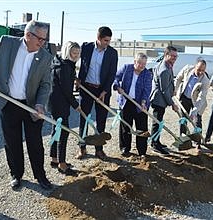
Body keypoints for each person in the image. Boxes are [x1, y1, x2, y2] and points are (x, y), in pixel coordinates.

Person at [0, 20, 53, 190]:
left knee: (35, 142)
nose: (42, 43)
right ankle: (16, 175)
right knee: (12, 141)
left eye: (44, 40)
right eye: (40, 39)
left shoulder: (45, 57)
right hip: (8, 101)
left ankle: (40, 175)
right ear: (28, 35)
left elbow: (45, 84)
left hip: (32, 105)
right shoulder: (7, 43)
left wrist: (40, 104)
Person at [76, 26, 118, 160]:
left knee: (101, 120)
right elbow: (78, 63)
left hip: (102, 91)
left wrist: (105, 91)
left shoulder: (112, 53)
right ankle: (82, 147)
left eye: (109, 41)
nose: (107, 43)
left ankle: (99, 150)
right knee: (84, 118)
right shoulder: (86, 47)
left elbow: (112, 74)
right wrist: (77, 79)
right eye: (105, 40)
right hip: (86, 88)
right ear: (98, 38)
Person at [49, 41, 81, 175]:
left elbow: (68, 79)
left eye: (78, 53)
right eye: (73, 53)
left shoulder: (60, 62)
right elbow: (67, 90)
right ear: (67, 51)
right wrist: (76, 105)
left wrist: (75, 78)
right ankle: (62, 164)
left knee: (56, 129)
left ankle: (54, 158)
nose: (76, 56)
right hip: (59, 102)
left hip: (54, 101)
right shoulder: (64, 67)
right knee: (64, 131)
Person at [113, 53, 152, 158]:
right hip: (126, 101)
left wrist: (143, 102)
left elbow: (147, 90)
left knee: (142, 128)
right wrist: (117, 86)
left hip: (140, 103)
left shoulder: (147, 74)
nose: (142, 66)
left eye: (144, 64)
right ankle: (125, 149)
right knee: (126, 126)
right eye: (140, 63)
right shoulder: (127, 68)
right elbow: (116, 77)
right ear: (135, 61)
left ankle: (142, 151)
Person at [174, 59, 210, 152]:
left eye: (203, 70)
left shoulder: (205, 80)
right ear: (195, 66)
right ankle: (183, 140)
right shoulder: (187, 69)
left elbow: (201, 97)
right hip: (185, 97)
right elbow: (178, 78)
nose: (200, 72)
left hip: (197, 102)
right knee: (183, 119)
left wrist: (194, 111)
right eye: (198, 69)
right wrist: (175, 91)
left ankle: (198, 142)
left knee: (197, 121)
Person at [149, 46, 179, 155]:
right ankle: (154, 144)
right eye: (172, 56)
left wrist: (173, 90)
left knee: (159, 121)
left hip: (160, 98)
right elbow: (164, 90)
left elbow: (168, 84)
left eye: (176, 56)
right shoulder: (164, 70)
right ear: (166, 55)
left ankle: (157, 141)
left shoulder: (166, 65)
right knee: (157, 122)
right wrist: (172, 104)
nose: (174, 58)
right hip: (159, 100)